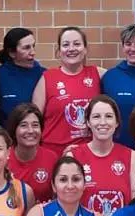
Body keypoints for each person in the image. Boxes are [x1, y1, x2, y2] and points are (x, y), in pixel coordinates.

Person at [32, 26, 103, 155]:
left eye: (77, 44)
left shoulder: (98, 74)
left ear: (85, 49)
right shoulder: (48, 77)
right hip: (53, 153)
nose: (71, 49)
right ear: (59, 51)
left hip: (88, 152)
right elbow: (33, 118)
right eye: (65, 45)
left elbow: (122, 78)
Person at [67, 95, 135, 216]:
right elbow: (67, 202)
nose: (103, 122)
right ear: (88, 122)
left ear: (117, 122)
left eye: (109, 116)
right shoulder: (73, 156)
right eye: (96, 117)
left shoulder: (131, 156)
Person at [5, 103, 60, 202]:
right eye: (24, 125)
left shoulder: (52, 158)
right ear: (14, 130)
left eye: (35, 125)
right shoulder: (4, 158)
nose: (30, 131)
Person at [0, 27, 42, 126]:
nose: (33, 53)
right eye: (26, 48)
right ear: (12, 53)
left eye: (33, 46)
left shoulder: (43, 75)